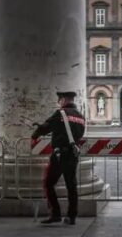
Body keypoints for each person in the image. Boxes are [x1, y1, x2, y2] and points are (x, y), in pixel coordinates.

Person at [31, 90, 85, 225]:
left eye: (59, 100)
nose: (59, 103)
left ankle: (55, 214)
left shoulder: (60, 113)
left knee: (48, 183)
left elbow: (46, 127)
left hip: (60, 155)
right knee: (71, 185)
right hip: (73, 154)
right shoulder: (80, 117)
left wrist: (35, 134)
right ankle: (71, 216)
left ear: (63, 100)